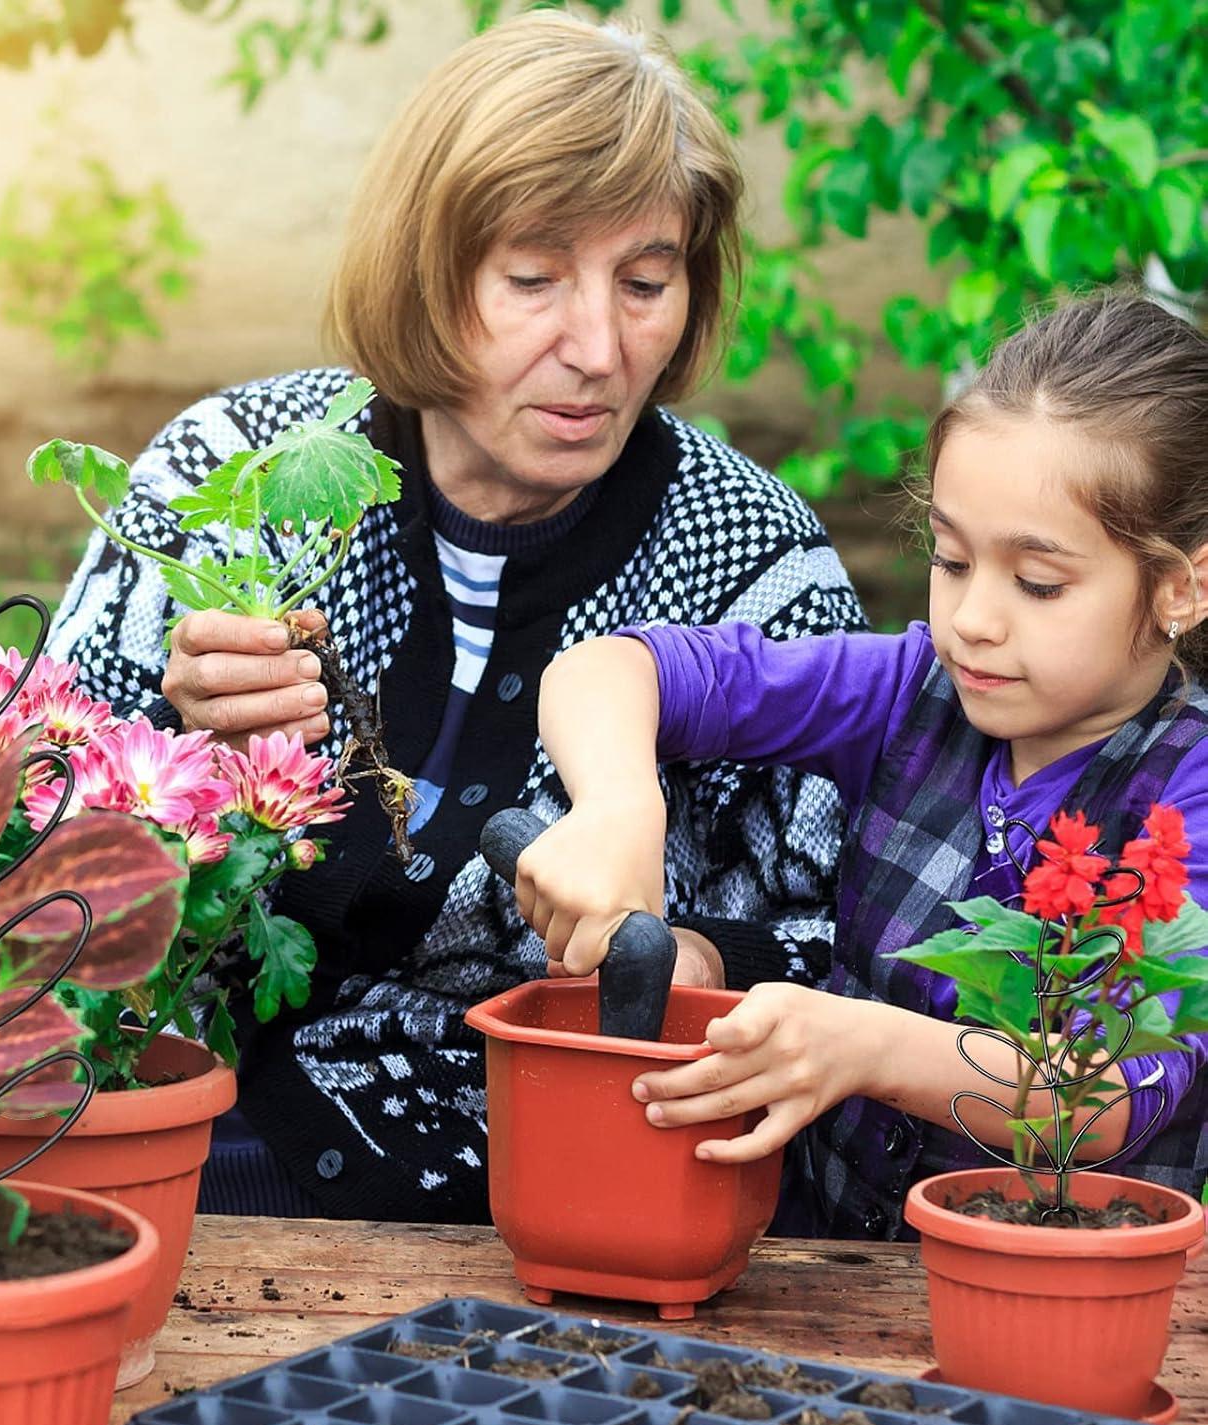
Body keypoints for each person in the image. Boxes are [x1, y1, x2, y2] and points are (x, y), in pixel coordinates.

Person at [48, 9, 866, 1223]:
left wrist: (690, 963)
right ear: (427, 274)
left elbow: (852, 951)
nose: (597, 347)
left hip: (545, 1185)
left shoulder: (755, 567)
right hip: (177, 1125)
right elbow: (23, 840)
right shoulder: (235, 478)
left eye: (646, 282)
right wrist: (179, 770)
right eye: (534, 279)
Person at [521, 293, 1208, 1238]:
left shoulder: (1189, 793)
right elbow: (610, 668)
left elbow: (1108, 1098)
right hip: (828, 1269)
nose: (975, 619)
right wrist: (616, 809)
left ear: (1180, 586)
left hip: (1059, 1303)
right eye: (953, 560)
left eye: (1039, 584)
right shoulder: (908, 690)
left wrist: (865, 1045)